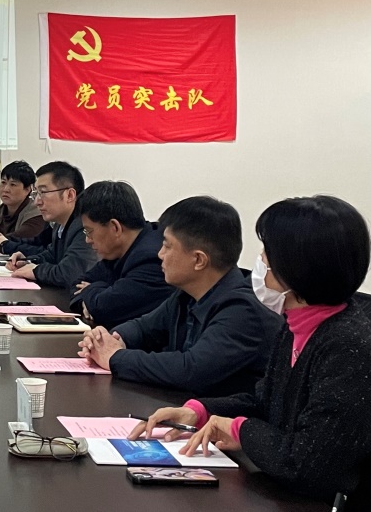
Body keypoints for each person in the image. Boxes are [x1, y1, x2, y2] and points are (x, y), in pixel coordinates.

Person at [131, 196, 371, 506]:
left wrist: (240, 430)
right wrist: (200, 411)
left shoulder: (349, 346)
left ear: (298, 269)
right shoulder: (296, 324)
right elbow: (264, 402)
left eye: (266, 256)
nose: (259, 264)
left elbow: (307, 464)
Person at [78, 196, 281, 396]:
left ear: (199, 260)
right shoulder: (186, 295)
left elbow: (191, 370)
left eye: (167, 246)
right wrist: (107, 339)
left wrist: (115, 357)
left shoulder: (243, 309)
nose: (160, 254)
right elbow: (143, 327)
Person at [69, 181, 171, 329]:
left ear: (115, 228)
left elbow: (105, 308)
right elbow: (77, 284)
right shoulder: (117, 252)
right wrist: (103, 290)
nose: (87, 240)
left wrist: (92, 290)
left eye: (89, 231)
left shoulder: (153, 260)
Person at [0, 161, 97, 289]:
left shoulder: (85, 226)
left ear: (69, 195)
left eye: (43, 193)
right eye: (36, 194)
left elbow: (70, 273)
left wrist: (36, 271)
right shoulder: (60, 224)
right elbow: (51, 255)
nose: (37, 202)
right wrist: (28, 261)